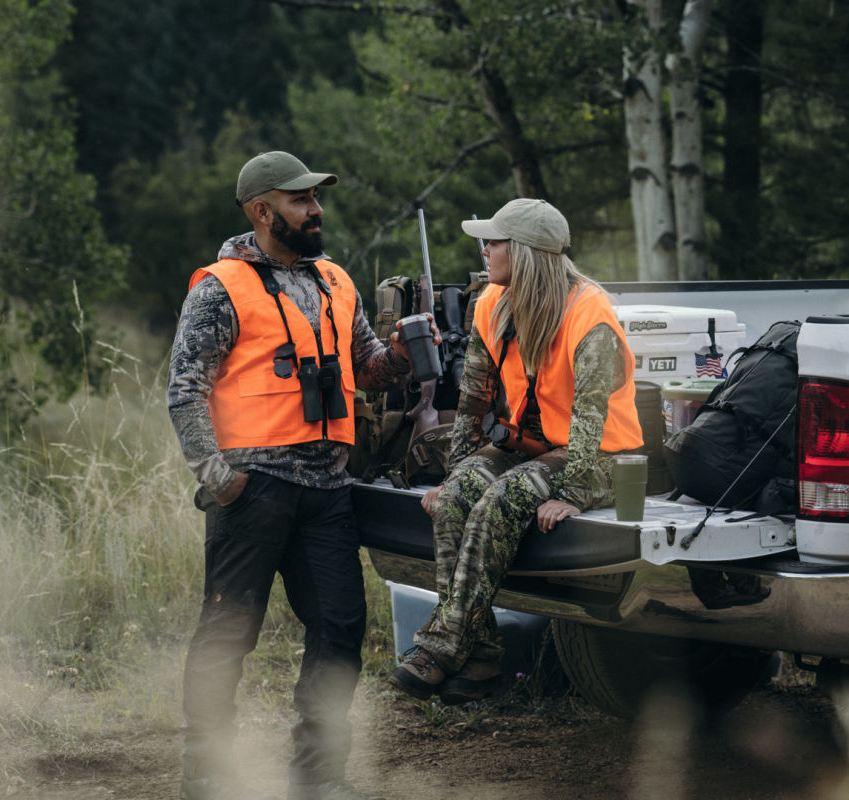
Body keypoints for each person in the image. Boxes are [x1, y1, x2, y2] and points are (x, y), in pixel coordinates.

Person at [168, 151, 434, 800]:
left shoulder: (337, 282)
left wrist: (400, 354)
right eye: (300, 200)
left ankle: (319, 782)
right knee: (227, 636)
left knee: (341, 628)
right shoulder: (220, 288)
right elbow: (184, 390)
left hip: (327, 492)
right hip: (251, 492)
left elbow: (366, 364)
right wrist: (220, 478)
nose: (315, 210)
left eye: (315, 199)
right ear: (262, 211)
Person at [387, 198, 644, 705]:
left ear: (525, 252)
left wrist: (570, 494)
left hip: (600, 460)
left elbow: (590, 418)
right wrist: (454, 474)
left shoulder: (589, 311)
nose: (484, 250)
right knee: (460, 496)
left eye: (495, 241)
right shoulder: (491, 304)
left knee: (499, 503)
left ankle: (442, 645)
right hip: (535, 448)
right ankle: (481, 658)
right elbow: (473, 400)